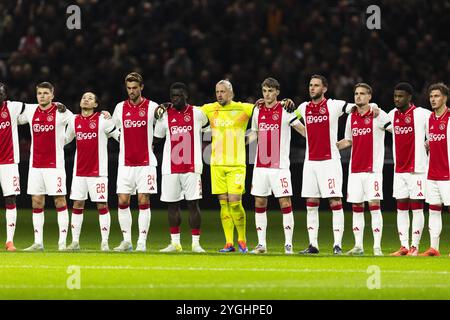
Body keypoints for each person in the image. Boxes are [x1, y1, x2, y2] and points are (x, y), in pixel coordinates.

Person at [196, 80, 295, 253]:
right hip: (216, 163)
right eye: (217, 91)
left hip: (236, 164)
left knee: (235, 203)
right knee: (223, 205)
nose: (219, 94)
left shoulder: (245, 108)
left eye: (223, 91)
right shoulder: (209, 108)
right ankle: (229, 243)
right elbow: (189, 111)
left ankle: (242, 240)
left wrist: (285, 101)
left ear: (231, 92)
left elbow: (267, 105)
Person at [295, 75, 354, 255]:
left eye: (316, 85)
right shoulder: (303, 107)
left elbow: (353, 108)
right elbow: (288, 116)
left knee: (335, 200)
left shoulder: (334, 105)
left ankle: (337, 245)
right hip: (310, 162)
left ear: (325, 88)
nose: (312, 88)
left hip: (330, 161)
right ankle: (313, 245)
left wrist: (372, 107)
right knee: (311, 202)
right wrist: (304, 132)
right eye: (310, 85)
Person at [247, 77, 305, 254]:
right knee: (259, 201)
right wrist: (240, 142)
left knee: (284, 202)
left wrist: (318, 139)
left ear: (277, 92)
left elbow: (302, 130)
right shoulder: (257, 110)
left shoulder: (286, 110)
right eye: (264, 91)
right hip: (260, 165)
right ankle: (261, 244)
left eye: (270, 91)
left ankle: (288, 244)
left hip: (280, 167)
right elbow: (254, 133)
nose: (267, 94)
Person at [154, 82, 209, 253]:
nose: (175, 99)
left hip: (192, 167)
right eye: (172, 96)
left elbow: (208, 130)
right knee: (172, 205)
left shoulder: (198, 114)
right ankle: (175, 243)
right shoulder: (164, 116)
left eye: (178, 95)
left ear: (186, 96)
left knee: (193, 204)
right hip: (170, 167)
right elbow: (156, 139)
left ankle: (195, 244)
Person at [337, 83, 391, 256]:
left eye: (362, 94)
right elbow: (348, 140)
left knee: (374, 205)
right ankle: (358, 246)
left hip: (373, 170)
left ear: (370, 97)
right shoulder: (351, 117)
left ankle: (377, 247)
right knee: (356, 206)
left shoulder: (378, 114)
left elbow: (394, 129)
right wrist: (335, 146)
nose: (358, 96)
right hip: (355, 169)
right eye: (356, 94)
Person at [20, 82, 73, 251]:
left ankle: (62, 243)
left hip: (55, 165)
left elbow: (76, 122)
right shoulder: (30, 110)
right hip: (35, 165)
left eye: (45, 93)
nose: (42, 96)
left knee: (59, 201)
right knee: (36, 202)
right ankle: (38, 242)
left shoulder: (60, 112)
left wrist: (65, 140)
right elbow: (15, 118)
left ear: (52, 95)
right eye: (39, 93)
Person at [65, 92, 120, 251]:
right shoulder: (74, 120)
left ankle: (104, 242)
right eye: (83, 97)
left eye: (90, 98)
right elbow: (65, 139)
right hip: (79, 172)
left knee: (102, 205)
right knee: (77, 203)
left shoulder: (102, 120)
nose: (86, 99)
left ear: (96, 104)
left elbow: (118, 135)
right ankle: (75, 242)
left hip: (99, 172)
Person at [112, 72, 159, 252]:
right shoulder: (120, 108)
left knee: (143, 199)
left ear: (141, 87)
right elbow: (111, 128)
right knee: (123, 201)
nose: (131, 91)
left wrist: (155, 140)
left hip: (146, 163)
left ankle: (141, 242)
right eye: (129, 88)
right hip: (125, 163)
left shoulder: (152, 106)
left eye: (134, 88)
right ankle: (127, 241)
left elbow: (163, 123)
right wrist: (119, 137)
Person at [387, 83, 430, 256]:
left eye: (401, 96)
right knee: (401, 208)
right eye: (395, 96)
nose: (397, 99)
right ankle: (404, 246)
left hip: (417, 169)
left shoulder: (422, 114)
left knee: (417, 208)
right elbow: (376, 117)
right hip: (399, 170)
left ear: (409, 97)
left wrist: (430, 142)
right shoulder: (391, 115)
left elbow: (437, 127)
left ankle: (415, 246)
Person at [421, 82, 449, 257]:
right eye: (431, 96)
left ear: (445, 98)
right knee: (434, 209)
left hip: (448, 174)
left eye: (437, 96)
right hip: (432, 174)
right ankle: (434, 248)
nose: (433, 99)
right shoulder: (429, 118)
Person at [0, 82, 23, 251]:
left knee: (10, 198)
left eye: (0, 93)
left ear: (5, 96)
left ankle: (9, 241)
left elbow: (36, 108)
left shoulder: (12, 108)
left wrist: (57, 106)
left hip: (8, 163)